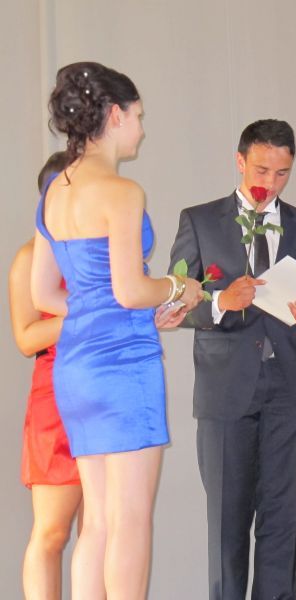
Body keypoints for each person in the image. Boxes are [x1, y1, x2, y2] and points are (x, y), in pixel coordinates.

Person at [31, 61, 204, 599]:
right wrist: (180, 287)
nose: (142, 129)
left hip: (75, 368)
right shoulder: (121, 192)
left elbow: (46, 295)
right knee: (129, 518)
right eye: (139, 116)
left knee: (99, 522)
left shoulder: (55, 190)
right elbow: (129, 290)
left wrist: (126, 311)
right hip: (123, 368)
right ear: (114, 114)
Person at [169, 118, 296, 600]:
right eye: (262, 170)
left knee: (282, 524)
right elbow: (175, 306)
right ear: (239, 161)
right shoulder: (200, 221)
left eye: (282, 173)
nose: (271, 183)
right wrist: (221, 302)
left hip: (292, 389)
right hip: (226, 390)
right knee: (228, 524)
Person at [10, 151, 81, 600]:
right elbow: (26, 338)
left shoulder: (105, 256)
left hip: (106, 391)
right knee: (52, 531)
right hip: (55, 399)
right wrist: (84, 313)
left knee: (103, 531)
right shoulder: (29, 257)